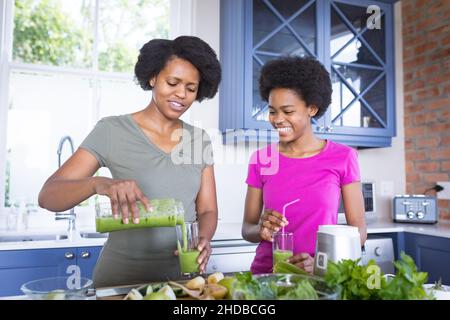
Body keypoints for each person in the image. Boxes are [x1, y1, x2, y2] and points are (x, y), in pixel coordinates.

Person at [38, 36, 222, 287]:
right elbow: (48, 196)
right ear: (153, 77)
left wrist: (203, 238)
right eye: (173, 82)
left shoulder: (199, 139)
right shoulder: (112, 130)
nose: (181, 94)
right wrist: (99, 184)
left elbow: (208, 210)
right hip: (120, 282)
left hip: (184, 284)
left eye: (191, 88)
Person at [242, 56, 367, 275]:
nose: (278, 119)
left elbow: (359, 231)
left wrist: (323, 264)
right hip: (267, 276)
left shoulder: (343, 157)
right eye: (272, 111)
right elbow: (247, 228)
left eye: (288, 111)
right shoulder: (261, 159)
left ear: (312, 108)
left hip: (318, 278)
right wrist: (261, 229)